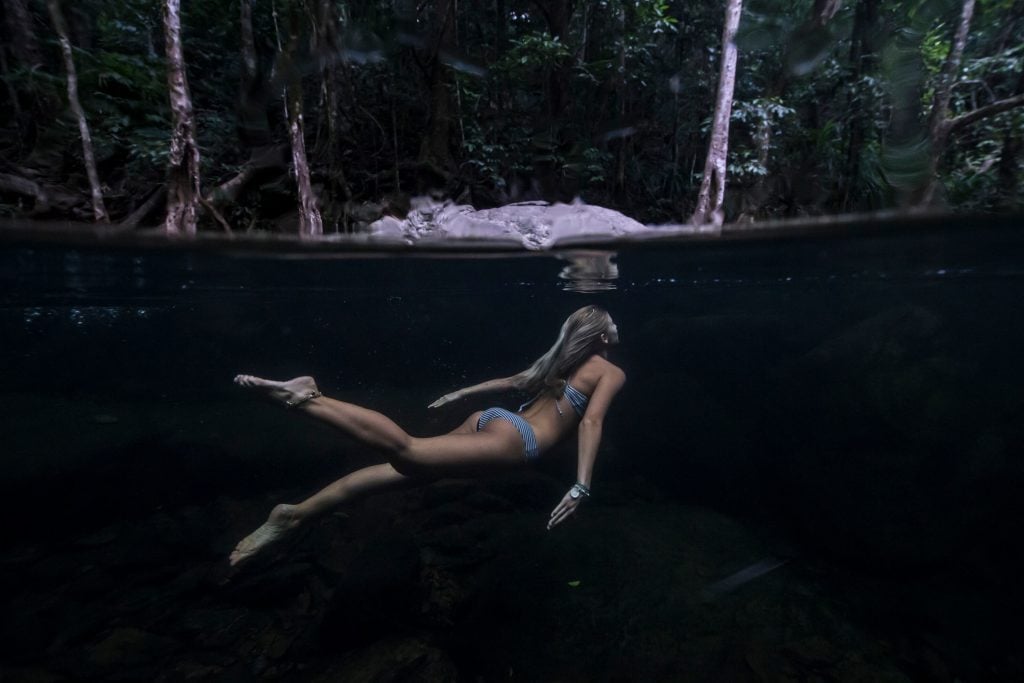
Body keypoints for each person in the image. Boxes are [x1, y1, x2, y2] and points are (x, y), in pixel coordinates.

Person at [229, 305, 625, 567]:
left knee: (402, 471)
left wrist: (462, 393)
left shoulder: (562, 360)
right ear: (602, 338)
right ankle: (308, 398)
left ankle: (294, 514)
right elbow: (591, 422)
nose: (617, 328)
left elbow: (515, 380)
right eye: (613, 325)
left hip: (494, 419)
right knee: (409, 452)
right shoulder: (609, 371)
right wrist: (581, 486)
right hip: (517, 441)